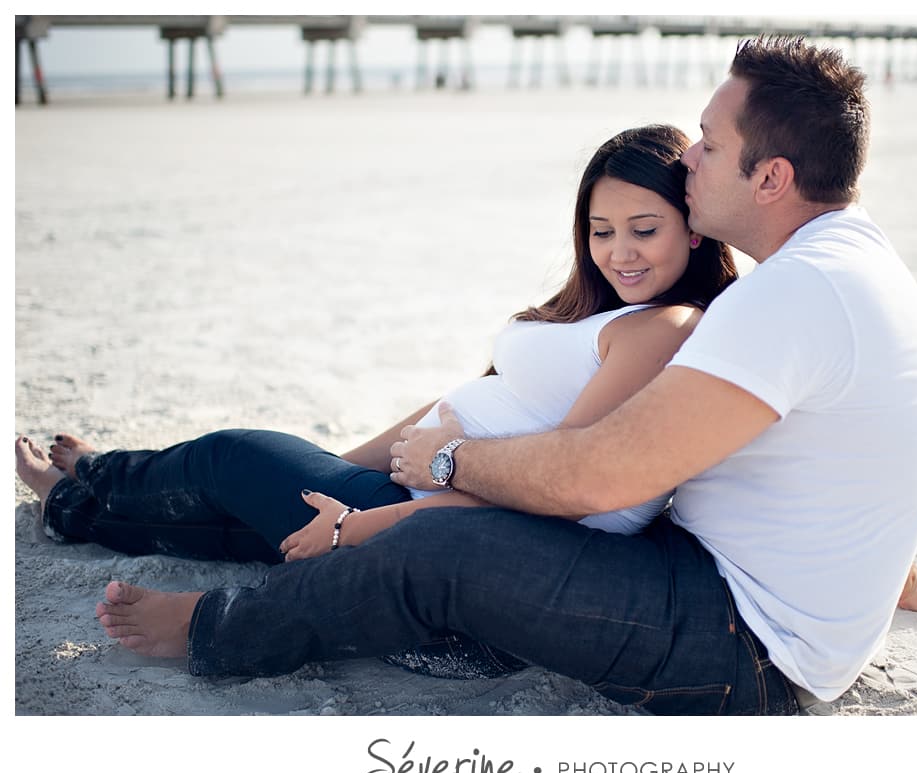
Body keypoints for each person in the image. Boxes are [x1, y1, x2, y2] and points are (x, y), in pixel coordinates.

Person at [87, 36, 917, 715]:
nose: (687, 157)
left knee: (441, 552)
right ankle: (121, 503)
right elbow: (836, 466)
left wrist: (445, 463)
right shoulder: (840, 271)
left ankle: (213, 628)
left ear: (769, 178)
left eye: (706, 142)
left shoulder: (803, 291)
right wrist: (900, 574)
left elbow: (599, 476)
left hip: (745, 649)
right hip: (731, 599)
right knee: (338, 502)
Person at [16, 123, 736, 564]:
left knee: (230, 457)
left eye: (645, 229)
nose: (621, 253)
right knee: (239, 530)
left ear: (693, 228)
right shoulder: (605, 311)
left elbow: (559, 484)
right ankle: (74, 504)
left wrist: (364, 524)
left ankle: (100, 476)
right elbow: (471, 397)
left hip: (437, 513)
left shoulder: (665, 327)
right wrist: (345, 464)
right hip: (411, 489)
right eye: (601, 232)